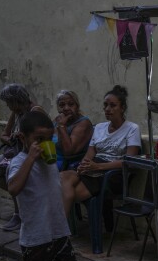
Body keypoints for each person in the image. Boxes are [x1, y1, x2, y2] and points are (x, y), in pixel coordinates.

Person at [7, 111, 81, 261]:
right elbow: (13, 189)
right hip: (36, 236)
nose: (45, 144)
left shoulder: (50, 161)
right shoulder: (20, 162)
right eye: (39, 139)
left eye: (48, 139)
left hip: (57, 230)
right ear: (23, 138)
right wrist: (30, 158)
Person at [60, 85, 141, 217]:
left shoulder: (132, 129)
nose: (107, 109)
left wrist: (98, 166)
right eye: (105, 105)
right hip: (94, 168)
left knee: (68, 194)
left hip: (113, 173)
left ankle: (60, 231)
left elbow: (129, 161)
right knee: (62, 177)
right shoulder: (99, 127)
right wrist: (83, 166)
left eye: (113, 105)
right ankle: (61, 231)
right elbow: (89, 155)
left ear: (122, 108)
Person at [0, 83, 46, 231]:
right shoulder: (16, 113)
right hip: (14, 151)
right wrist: (10, 139)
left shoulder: (35, 112)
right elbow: (4, 135)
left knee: (12, 171)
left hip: (31, 154)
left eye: (9, 102)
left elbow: (43, 137)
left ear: (16, 100)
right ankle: (20, 200)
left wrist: (24, 137)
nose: (8, 106)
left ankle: (19, 213)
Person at [53, 90, 93, 171]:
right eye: (62, 105)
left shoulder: (83, 123)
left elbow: (69, 151)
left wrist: (62, 126)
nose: (66, 108)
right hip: (52, 162)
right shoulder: (57, 121)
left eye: (71, 104)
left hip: (71, 166)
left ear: (77, 107)